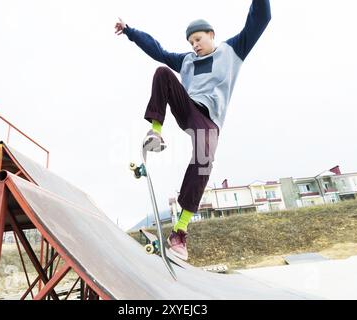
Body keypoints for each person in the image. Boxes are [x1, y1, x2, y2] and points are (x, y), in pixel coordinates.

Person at [115, 0, 271, 261]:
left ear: (211, 35)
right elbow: (157, 50)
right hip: (187, 109)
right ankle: (155, 132)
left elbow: (259, 20)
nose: (195, 45)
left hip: (209, 121)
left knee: (204, 161)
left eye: (198, 39)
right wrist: (131, 32)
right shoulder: (186, 60)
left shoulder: (232, 51)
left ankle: (180, 230)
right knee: (163, 72)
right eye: (191, 43)